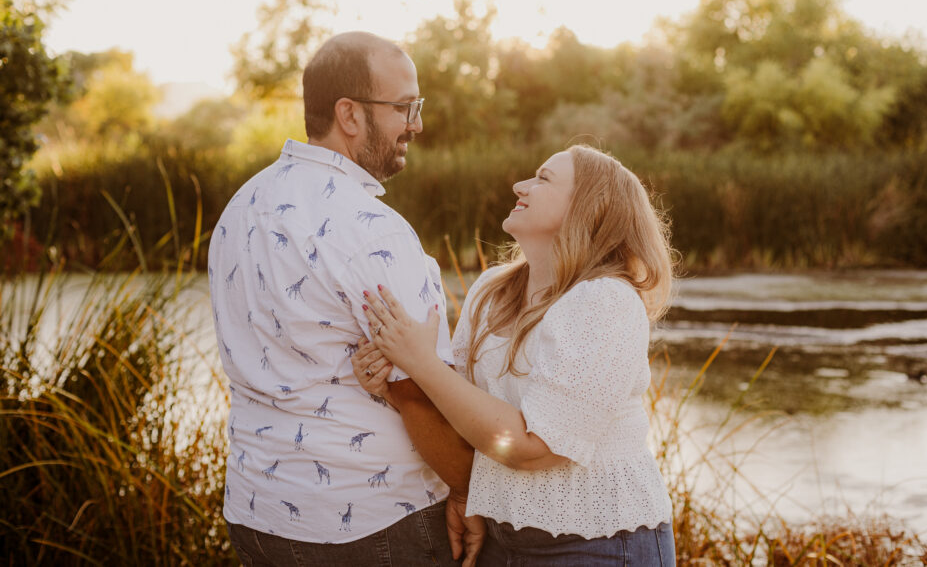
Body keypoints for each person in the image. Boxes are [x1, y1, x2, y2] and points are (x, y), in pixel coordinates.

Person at [208, 32, 483, 566]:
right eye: (405, 107)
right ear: (350, 114)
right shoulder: (373, 230)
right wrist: (466, 488)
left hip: (256, 513)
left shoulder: (241, 206)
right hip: (372, 523)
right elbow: (418, 392)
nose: (416, 125)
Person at [355, 144, 677, 565]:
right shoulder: (492, 291)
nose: (519, 186)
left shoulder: (606, 301)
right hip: (499, 539)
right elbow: (461, 412)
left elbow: (535, 448)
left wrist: (421, 363)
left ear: (588, 208)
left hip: (600, 544)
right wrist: (393, 384)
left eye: (543, 178)